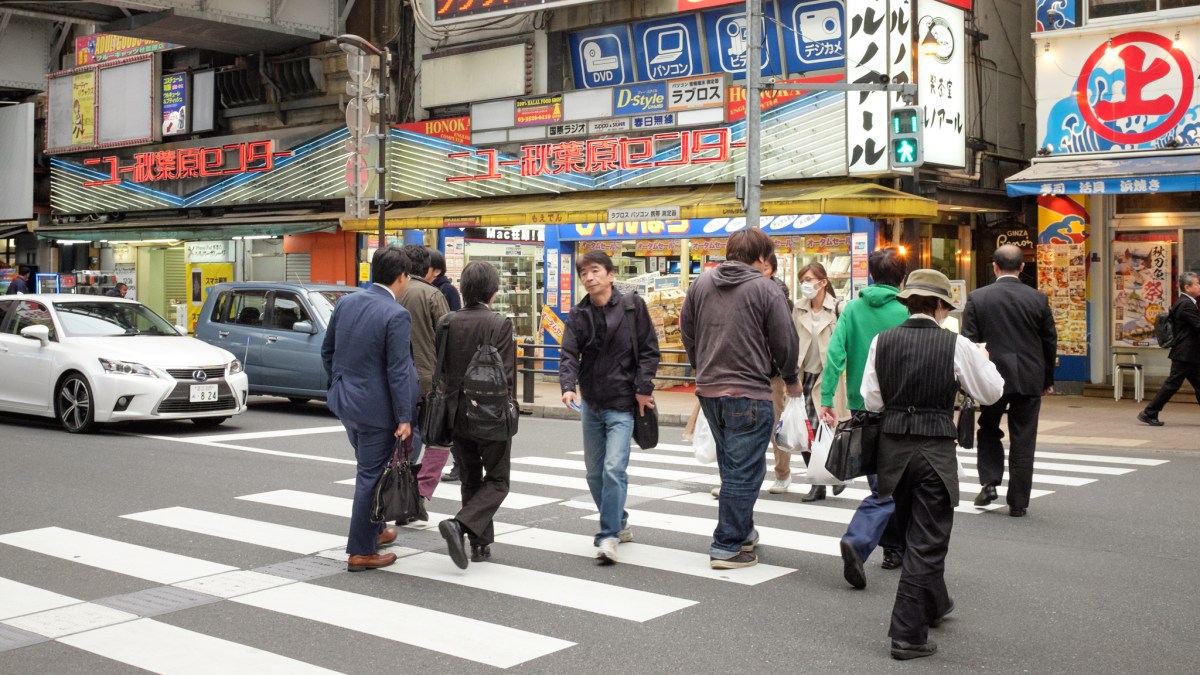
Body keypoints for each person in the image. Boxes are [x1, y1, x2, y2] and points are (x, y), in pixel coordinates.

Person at [861, 269, 1003, 660]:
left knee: (913, 534)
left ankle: (935, 604)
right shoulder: (955, 345)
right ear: (940, 305)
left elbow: (871, 399)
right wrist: (983, 359)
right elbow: (991, 392)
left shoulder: (882, 341)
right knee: (928, 541)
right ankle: (907, 635)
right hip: (934, 449)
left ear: (908, 303)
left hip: (892, 452)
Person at [680, 228, 801, 570]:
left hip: (710, 391)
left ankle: (744, 532)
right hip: (749, 390)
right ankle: (728, 545)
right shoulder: (766, 289)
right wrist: (790, 379)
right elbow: (785, 341)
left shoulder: (700, 285)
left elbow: (688, 332)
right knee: (744, 471)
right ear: (762, 258)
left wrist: (701, 365)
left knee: (733, 467)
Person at [321, 246, 418, 572]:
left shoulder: (347, 302)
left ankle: (375, 531)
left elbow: (328, 351)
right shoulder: (396, 314)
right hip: (378, 411)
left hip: (347, 403)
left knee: (368, 468)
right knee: (371, 476)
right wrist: (404, 416)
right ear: (402, 277)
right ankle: (361, 551)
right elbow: (398, 369)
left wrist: (337, 385)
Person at [559, 251, 660, 564]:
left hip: (622, 404)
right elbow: (568, 355)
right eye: (584, 274)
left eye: (595, 271)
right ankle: (620, 521)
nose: (589, 278)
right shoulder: (578, 314)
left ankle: (608, 536)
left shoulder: (632, 307)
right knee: (594, 474)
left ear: (610, 274)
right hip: (591, 403)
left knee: (613, 469)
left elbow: (648, 351)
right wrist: (567, 387)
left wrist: (643, 390)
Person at [819, 247, 908, 588]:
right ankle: (862, 540)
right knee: (893, 483)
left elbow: (835, 353)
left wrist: (827, 398)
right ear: (902, 277)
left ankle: (893, 548)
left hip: (861, 406)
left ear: (871, 276)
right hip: (901, 405)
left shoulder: (853, 309)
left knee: (880, 477)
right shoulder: (906, 309)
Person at [961, 244, 1057, 517]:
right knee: (1024, 437)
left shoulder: (978, 298)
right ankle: (1018, 501)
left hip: (992, 376)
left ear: (994, 266)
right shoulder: (1037, 298)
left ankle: (990, 482)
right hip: (1029, 376)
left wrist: (971, 379)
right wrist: (1047, 378)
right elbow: (1049, 341)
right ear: (1022, 267)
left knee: (989, 427)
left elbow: (970, 343)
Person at [436, 261, 517, 569]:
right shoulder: (499, 323)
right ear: (492, 291)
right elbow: (505, 376)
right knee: (497, 480)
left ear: (463, 289)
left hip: (455, 412)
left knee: (470, 477)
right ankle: (460, 525)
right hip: (491, 414)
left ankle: (479, 546)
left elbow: (440, 369)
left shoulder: (446, 322)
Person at [396, 245, 450, 515]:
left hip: (397, 379)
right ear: (428, 268)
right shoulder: (432, 294)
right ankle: (419, 490)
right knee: (439, 440)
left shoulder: (393, 292)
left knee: (402, 437)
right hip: (429, 380)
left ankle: (399, 492)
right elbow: (447, 338)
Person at [792, 262, 849, 501]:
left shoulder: (838, 308)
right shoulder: (798, 308)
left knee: (829, 430)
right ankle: (818, 482)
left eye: (810, 279)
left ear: (823, 282)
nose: (806, 284)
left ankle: (834, 474)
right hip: (805, 375)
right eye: (802, 279)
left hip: (830, 377)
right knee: (806, 432)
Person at [1138, 271, 1200, 426]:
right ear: (1187, 287)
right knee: (1172, 384)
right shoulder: (1186, 305)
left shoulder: (1184, 302)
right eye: (1197, 283)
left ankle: (1149, 412)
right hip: (1186, 354)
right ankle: (1149, 412)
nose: (1199, 286)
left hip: (1189, 354)